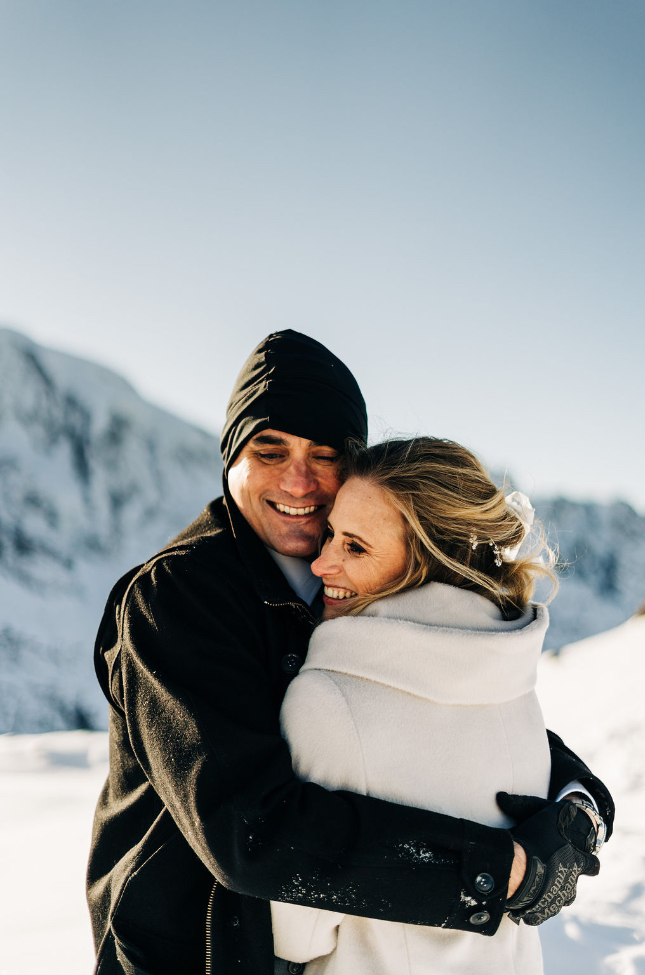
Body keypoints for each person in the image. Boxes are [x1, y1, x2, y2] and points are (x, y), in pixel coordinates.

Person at [87, 331, 614, 975]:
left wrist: (577, 806)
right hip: (189, 956)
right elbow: (250, 833)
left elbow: (453, 707)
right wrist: (496, 870)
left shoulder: (362, 576)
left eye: (325, 454)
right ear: (231, 459)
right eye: (269, 450)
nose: (298, 480)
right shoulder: (177, 598)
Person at [270, 437, 606, 974]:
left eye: (355, 548)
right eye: (330, 534)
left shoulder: (328, 701)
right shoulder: (511, 675)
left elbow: (298, 932)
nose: (322, 562)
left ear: (427, 562)